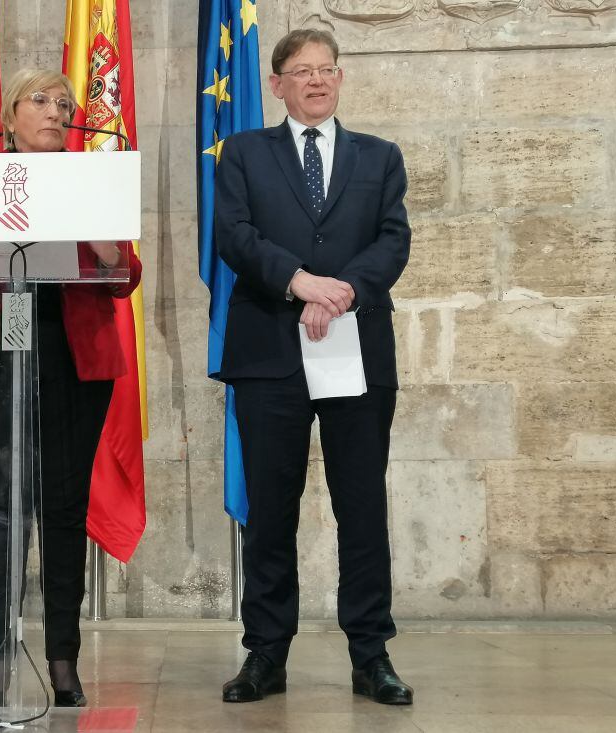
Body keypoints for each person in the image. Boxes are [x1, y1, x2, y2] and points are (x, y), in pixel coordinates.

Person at [0, 69, 142, 708]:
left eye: (65, 104)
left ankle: (63, 658)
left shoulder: (94, 175)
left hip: (74, 358)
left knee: (64, 506)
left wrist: (99, 235)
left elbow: (123, 272)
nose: (55, 112)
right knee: (2, 509)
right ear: (11, 112)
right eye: (41, 101)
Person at [214, 29, 413, 705]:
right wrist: (299, 281)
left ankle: (371, 654)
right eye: (303, 72)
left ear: (340, 78)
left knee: (362, 507)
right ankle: (265, 655)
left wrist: (344, 289)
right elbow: (234, 235)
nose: (318, 81)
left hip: (356, 343)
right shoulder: (242, 153)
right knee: (272, 510)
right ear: (277, 85)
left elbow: (394, 237)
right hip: (270, 349)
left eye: (327, 70)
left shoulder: (380, 157)